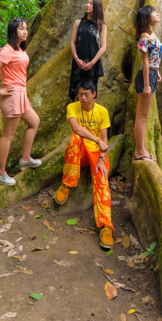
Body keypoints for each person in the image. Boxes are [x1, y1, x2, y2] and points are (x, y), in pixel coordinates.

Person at [55, 76, 114, 249]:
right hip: (80, 153)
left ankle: (106, 227)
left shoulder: (102, 111)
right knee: (74, 139)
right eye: (80, 94)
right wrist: (96, 139)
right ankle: (67, 184)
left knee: (102, 180)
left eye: (86, 94)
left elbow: (105, 141)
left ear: (94, 94)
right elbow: (76, 128)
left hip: (96, 154)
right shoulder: (72, 107)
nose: (83, 98)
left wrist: (102, 159)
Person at [0, 17, 41, 186]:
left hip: (20, 94)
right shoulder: (8, 50)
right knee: (7, 135)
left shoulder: (19, 49)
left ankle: (25, 159)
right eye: (21, 29)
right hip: (11, 95)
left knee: (34, 122)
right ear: (13, 31)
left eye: (26, 28)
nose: (25, 31)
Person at [133, 5, 162, 162]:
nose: (156, 14)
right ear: (146, 17)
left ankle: (142, 150)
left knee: (143, 116)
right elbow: (144, 61)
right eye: (153, 12)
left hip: (151, 73)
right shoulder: (145, 36)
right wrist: (146, 84)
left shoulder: (152, 34)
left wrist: (156, 71)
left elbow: (153, 57)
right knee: (141, 117)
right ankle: (140, 151)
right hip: (146, 75)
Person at [69, 0, 107, 100]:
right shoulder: (78, 22)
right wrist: (77, 59)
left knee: (91, 93)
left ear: (96, 7)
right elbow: (72, 42)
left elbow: (103, 47)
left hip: (93, 64)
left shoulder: (101, 26)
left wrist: (92, 63)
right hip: (78, 63)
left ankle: (90, 116)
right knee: (76, 92)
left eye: (90, 4)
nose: (87, 5)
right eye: (87, 3)